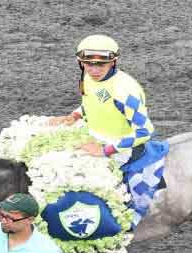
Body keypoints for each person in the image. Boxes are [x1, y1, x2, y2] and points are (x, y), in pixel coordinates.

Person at [50, 34, 155, 164]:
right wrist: (75, 116)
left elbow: (144, 131)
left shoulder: (125, 91)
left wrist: (105, 150)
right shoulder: (88, 78)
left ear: (112, 62)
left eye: (101, 65)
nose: (94, 71)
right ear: (81, 62)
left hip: (123, 151)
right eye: (89, 64)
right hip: (96, 138)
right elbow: (97, 102)